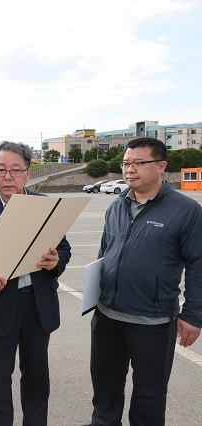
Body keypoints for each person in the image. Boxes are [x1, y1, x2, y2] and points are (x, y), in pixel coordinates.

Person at [87, 137, 202, 426]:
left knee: (149, 401)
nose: (129, 169)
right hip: (107, 319)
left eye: (139, 163)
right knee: (104, 395)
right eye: (126, 163)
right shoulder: (117, 205)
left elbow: (199, 263)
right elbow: (105, 252)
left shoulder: (186, 211)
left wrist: (193, 316)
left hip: (152, 322)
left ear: (161, 166)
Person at [0, 141, 71, 426]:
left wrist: (55, 260)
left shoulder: (45, 205)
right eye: (1, 170)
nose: (7, 176)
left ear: (27, 172)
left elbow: (64, 248)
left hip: (38, 305)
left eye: (14, 170)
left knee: (37, 381)